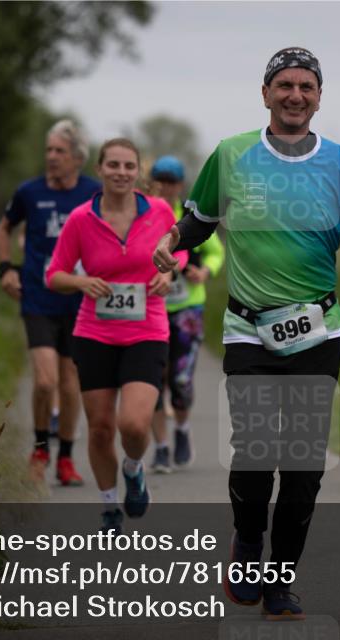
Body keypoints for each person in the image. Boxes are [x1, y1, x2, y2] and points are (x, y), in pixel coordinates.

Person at [153, 48, 340, 619]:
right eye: (284, 85)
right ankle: (246, 543)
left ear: (319, 97)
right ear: (265, 93)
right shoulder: (232, 154)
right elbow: (201, 218)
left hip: (318, 331)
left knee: (304, 463)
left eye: (306, 87)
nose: (295, 95)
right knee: (258, 449)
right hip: (248, 330)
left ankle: (282, 579)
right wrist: (173, 241)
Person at [47, 138, 188, 534]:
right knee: (101, 427)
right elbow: (53, 275)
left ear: (138, 172)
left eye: (129, 166)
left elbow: (181, 249)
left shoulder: (159, 211)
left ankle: (133, 469)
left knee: (133, 425)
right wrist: (81, 281)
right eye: (114, 165)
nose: (121, 173)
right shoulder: (80, 219)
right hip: (94, 332)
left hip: (147, 329)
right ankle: (109, 504)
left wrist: (169, 270)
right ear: (100, 169)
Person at [0, 119, 99, 487]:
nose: (52, 157)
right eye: (49, 150)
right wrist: (6, 268)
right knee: (44, 381)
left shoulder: (93, 193)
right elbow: (4, 227)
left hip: (80, 302)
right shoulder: (29, 192)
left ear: (77, 158)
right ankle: (40, 449)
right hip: (38, 297)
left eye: (59, 151)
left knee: (71, 383)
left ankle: (66, 459)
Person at [147, 156, 225, 473]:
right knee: (152, 381)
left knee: (180, 380)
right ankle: (161, 448)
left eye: (172, 181)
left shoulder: (191, 218)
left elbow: (216, 252)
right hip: (151, 308)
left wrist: (205, 271)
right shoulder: (144, 216)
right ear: (152, 183)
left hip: (187, 308)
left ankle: (181, 430)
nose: (165, 187)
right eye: (160, 180)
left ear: (180, 185)